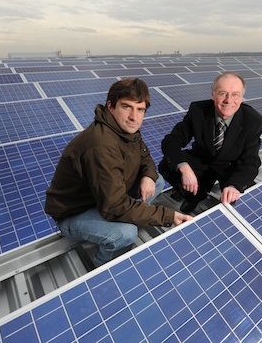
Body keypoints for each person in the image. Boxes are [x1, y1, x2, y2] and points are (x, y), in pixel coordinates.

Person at [45, 78, 193, 267]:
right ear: (110, 106)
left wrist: (147, 175)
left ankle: (131, 215)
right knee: (126, 234)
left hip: (103, 197)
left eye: (140, 110)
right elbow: (113, 205)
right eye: (126, 107)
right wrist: (169, 216)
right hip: (75, 212)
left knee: (156, 181)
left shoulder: (125, 129)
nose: (134, 116)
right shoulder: (101, 146)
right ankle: (103, 266)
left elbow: (144, 156)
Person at [158, 72, 262, 214]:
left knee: (243, 198)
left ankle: (226, 193)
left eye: (235, 94)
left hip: (230, 167)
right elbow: (171, 140)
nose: (228, 100)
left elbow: (251, 160)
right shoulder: (198, 111)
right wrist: (184, 167)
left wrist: (234, 185)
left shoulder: (253, 121)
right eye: (223, 93)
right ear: (213, 95)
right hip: (202, 160)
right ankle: (195, 195)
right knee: (167, 164)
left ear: (241, 97)